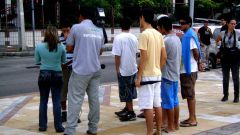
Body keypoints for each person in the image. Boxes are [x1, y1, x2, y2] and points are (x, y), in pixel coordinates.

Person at [63, 7, 105, 135]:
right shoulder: (99, 30)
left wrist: (76, 42)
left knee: (75, 99)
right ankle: (93, 128)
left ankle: (70, 130)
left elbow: (69, 48)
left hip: (81, 70)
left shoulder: (76, 27)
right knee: (94, 100)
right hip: (95, 69)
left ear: (81, 16)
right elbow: (101, 51)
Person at [135, 8, 167, 135]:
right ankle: (158, 130)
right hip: (157, 74)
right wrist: (157, 67)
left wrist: (138, 77)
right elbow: (164, 56)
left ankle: (149, 132)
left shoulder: (144, 34)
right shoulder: (158, 34)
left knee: (147, 106)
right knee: (157, 104)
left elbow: (144, 57)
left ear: (142, 17)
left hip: (147, 76)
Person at [35, 25, 66, 132]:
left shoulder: (39, 46)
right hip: (57, 74)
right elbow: (64, 61)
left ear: (46, 34)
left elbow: (37, 61)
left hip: (44, 74)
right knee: (57, 101)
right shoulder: (61, 46)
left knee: (43, 100)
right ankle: (58, 126)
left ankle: (42, 126)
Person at [157, 16, 181, 133]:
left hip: (167, 76)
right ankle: (175, 124)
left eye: (159, 27)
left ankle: (170, 126)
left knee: (168, 102)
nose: (158, 30)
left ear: (162, 27)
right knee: (175, 101)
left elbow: (162, 58)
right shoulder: (176, 39)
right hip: (175, 75)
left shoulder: (166, 41)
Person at [112, 17, 138, 121]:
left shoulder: (118, 38)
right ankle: (127, 108)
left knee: (126, 90)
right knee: (130, 88)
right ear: (130, 27)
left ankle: (131, 112)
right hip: (133, 67)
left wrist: (117, 69)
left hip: (124, 69)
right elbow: (136, 53)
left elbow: (117, 55)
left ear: (120, 27)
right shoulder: (134, 37)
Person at [178, 16, 202, 127]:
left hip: (189, 70)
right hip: (189, 69)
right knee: (189, 95)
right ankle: (192, 117)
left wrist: (196, 61)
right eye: (180, 23)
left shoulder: (189, 36)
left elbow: (196, 52)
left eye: (182, 23)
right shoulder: (189, 34)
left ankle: (192, 119)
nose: (180, 25)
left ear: (188, 24)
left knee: (190, 95)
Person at [59, 21, 81, 123]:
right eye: (63, 31)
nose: (66, 33)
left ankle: (75, 115)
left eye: (67, 30)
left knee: (75, 93)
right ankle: (64, 113)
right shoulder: (59, 40)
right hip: (63, 69)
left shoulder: (77, 39)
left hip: (75, 68)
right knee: (63, 92)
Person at [216, 18, 240, 103]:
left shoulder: (237, 33)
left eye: (234, 24)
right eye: (232, 23)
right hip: (225, 57)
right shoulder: (223, 33)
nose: (233, 25)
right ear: (228, 24)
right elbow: (217, 40)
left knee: (235, 77)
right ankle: (225, 95)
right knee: (225, 77)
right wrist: (219, 46)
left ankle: (236, 96)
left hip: (235, 57)